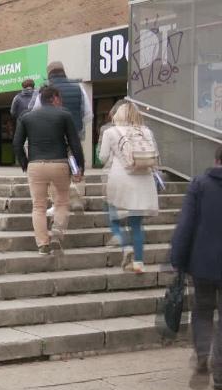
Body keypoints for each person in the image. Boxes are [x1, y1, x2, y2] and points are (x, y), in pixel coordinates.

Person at [170, 143, 222, 390]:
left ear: (217, 161)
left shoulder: (200, 184)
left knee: (202, 310)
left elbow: (186, 224)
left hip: (202, 262)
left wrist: (177, 258)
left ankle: (202, 357)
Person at [13, 85, 85, 255]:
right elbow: (75, 143)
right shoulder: (64, 114)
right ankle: (57, 235)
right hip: (60, 164)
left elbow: (17, 143)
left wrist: (25, 163)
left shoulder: (26, 116)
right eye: (60, 98)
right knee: (61, 202)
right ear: (54, 98)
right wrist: (80, 166)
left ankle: (43, 244)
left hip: (36, 165)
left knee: (38, 206)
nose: (61, 101)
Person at [98, 101, 159, 273]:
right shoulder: (146, 131)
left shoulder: (111, 132)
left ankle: (125, 245)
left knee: (113, 214)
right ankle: (139, 263)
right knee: (136, 224)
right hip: (144, 180)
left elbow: (102, 157)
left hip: (120, 179)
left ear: (118, 115)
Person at [32, 62, 93, 140]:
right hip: (74, 135)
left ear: (48, 73)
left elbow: (35, 114)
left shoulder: (43, 89)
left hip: (51, 136)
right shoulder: (78, 87)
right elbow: (88, 114)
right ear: (63, 72)